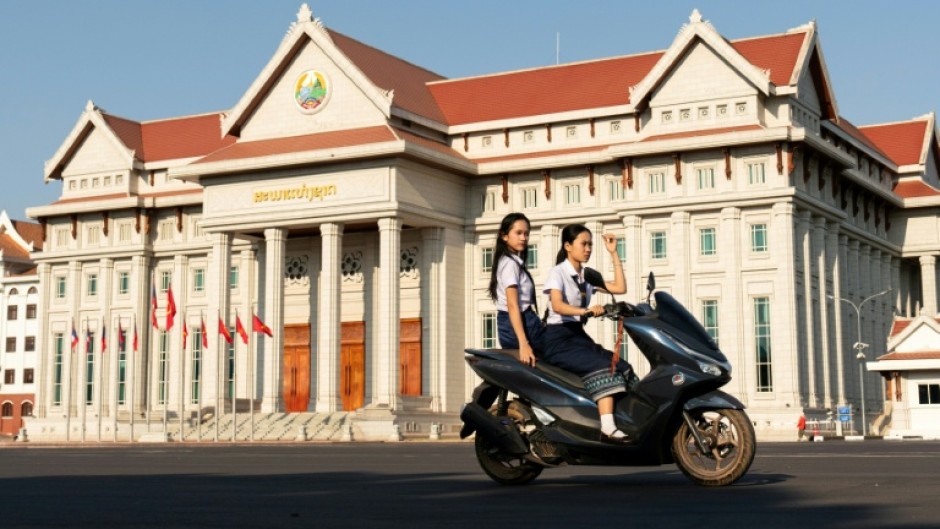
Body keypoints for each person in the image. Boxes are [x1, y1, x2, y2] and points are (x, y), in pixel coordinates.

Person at [539, 223, 635, 442]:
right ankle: (607, 428)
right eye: (583, 244)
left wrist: (614, 253)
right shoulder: (559, 272)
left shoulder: (587, 276)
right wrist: (586, 310)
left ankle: (628, 420)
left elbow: (620, 288)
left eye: (590, 244)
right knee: (605, 367)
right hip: (558, 338)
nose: (588, 249)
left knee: (622, 365)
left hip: (577, 337)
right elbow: (557, 305)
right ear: (568, 246)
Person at [487, 212, 542, 366]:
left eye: (526, 233)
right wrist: (523, 343)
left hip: (521, 321)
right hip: (518, 324)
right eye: (518, 233)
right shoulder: (510, 264)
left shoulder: (512, 262)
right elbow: (512, 304)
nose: (523, 238)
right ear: (504, 236)